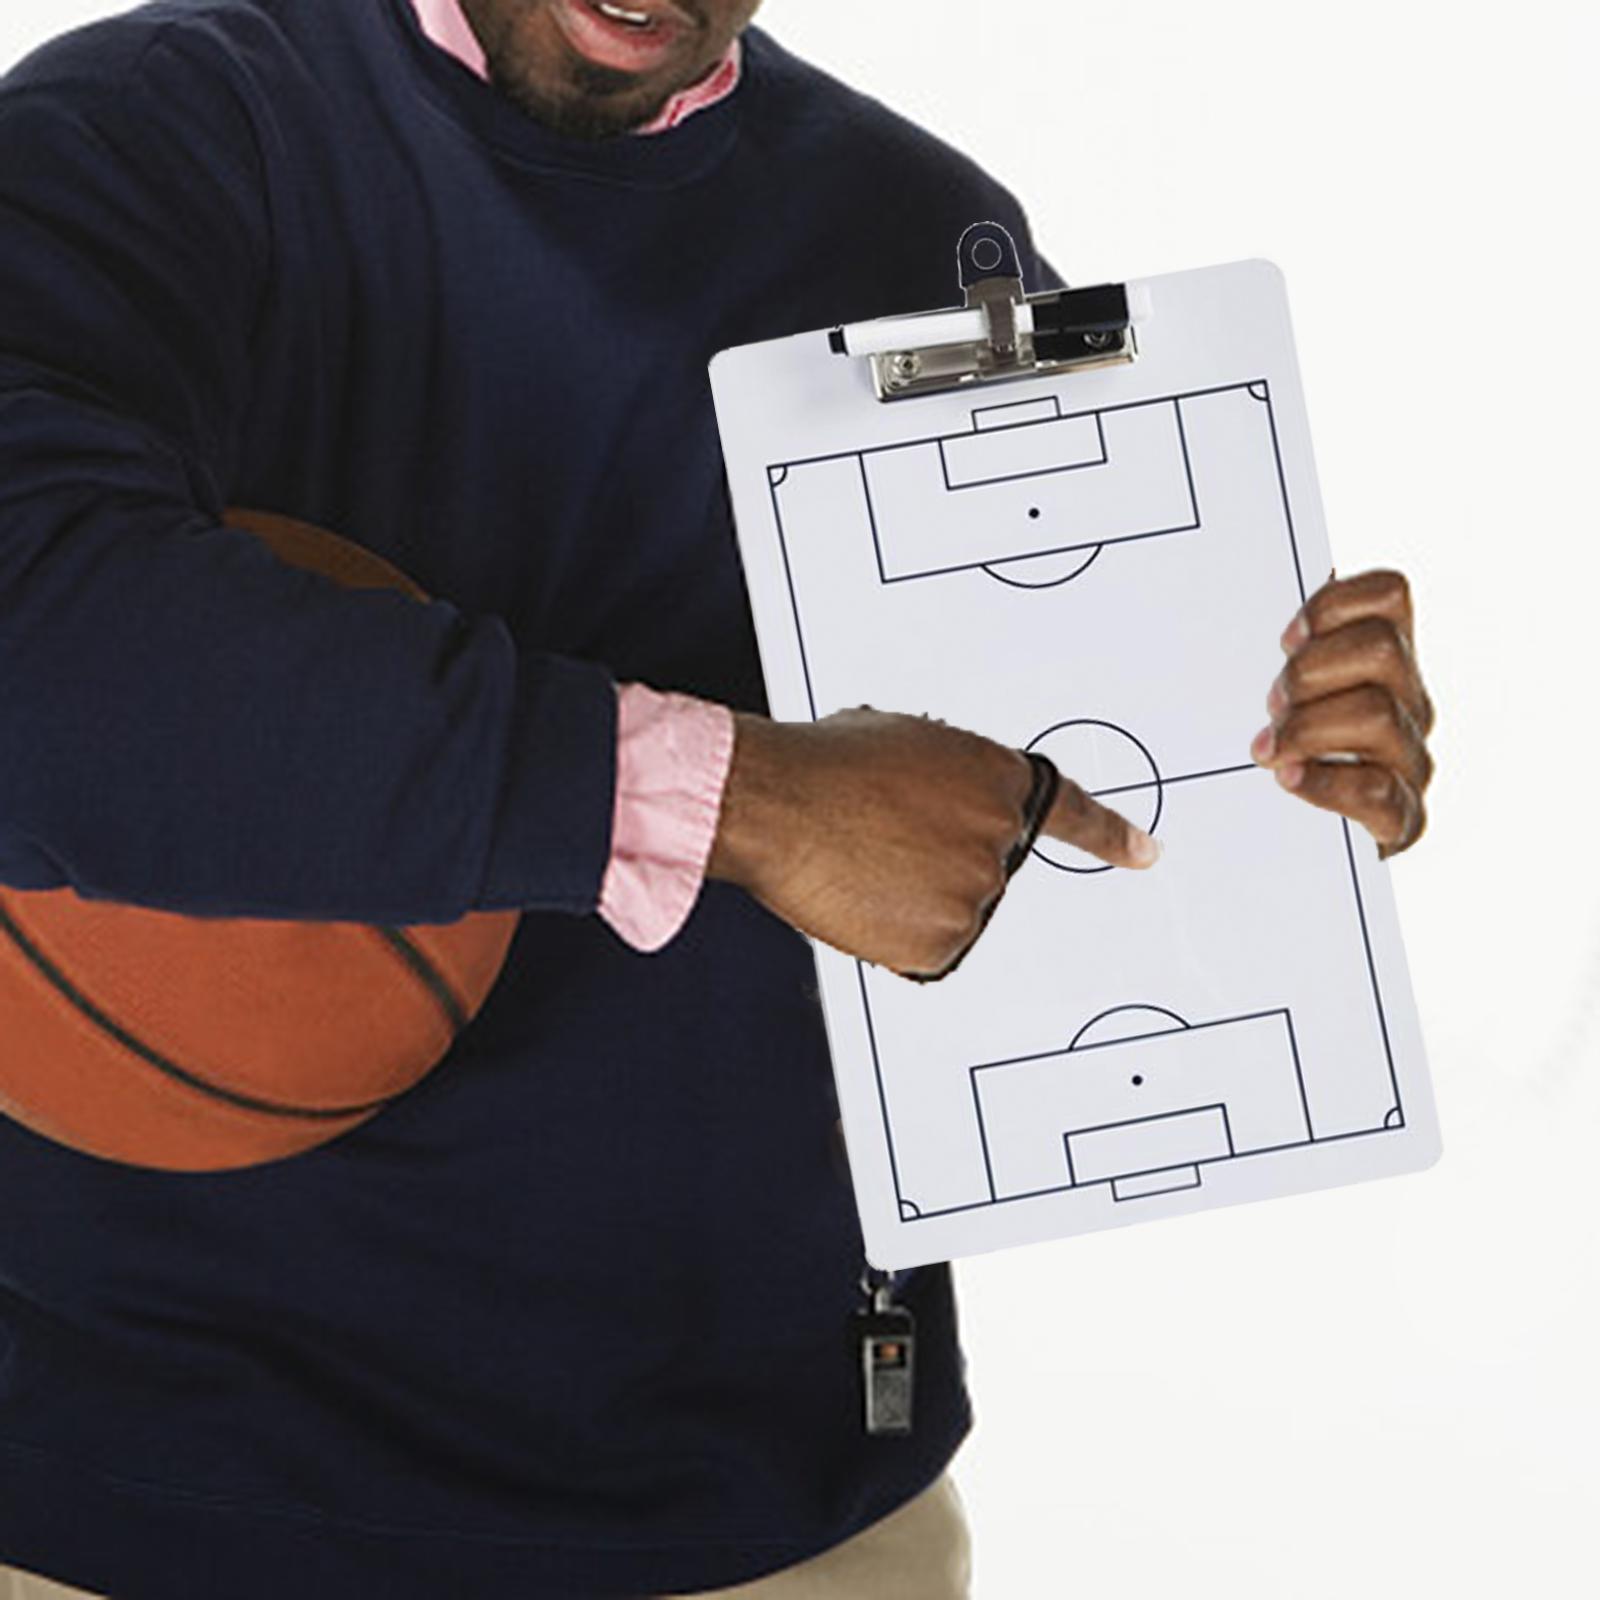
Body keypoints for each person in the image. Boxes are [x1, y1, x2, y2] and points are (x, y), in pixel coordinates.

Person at [0, 1, 1437, 1596]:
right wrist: (744, 798)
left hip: (768, 1503)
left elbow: (1019, 875)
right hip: (147, 1497)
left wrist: (1267, 767)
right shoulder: (153, 128)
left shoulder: (928, 234)